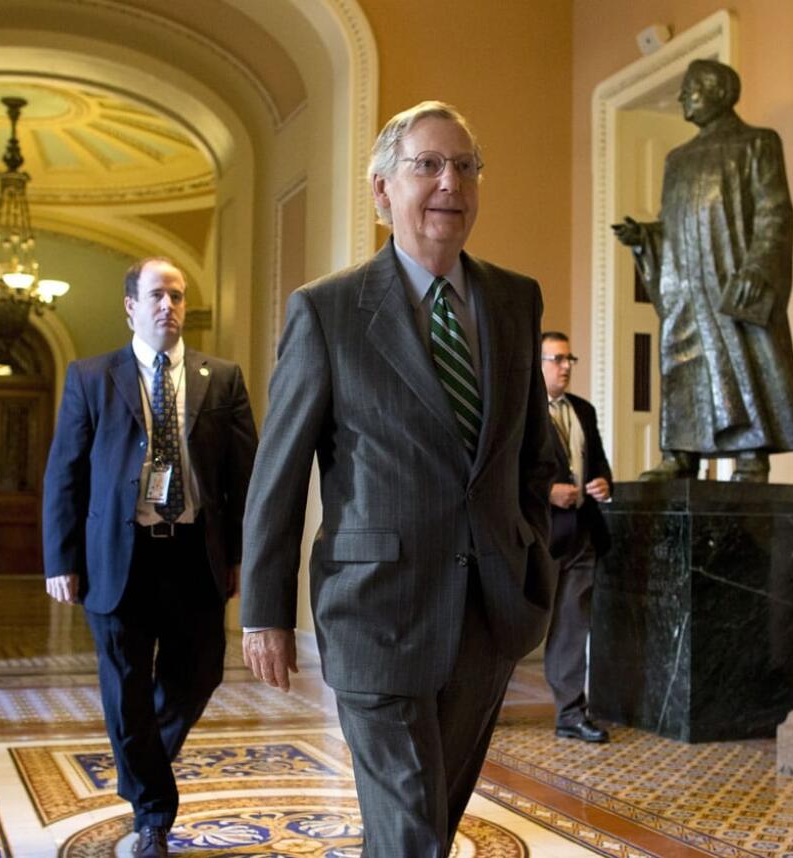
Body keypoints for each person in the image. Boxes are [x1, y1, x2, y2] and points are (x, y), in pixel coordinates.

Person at [241, 101, 556, 857]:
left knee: (430, 823)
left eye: (466, 166)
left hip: (488, 613)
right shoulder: (328, 310)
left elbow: (533, 455)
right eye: (429, 164)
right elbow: (277, 474)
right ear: (383, 192)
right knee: (412, 826)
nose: (452, 182)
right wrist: (264, 610)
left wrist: (532, 552)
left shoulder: (515, 301)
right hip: (374, 612)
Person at [42, 258, 257, 858]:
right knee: (126, 685)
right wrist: (60, 558)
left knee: (201, 671)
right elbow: (66, 471)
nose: (170, 306)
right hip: (118, 553)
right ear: (131, 307)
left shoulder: (223, 377)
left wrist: (242, 557)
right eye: (157, 295)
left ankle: (142, 767)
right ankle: (153, 814)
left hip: (194, 553)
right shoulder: (91, 376)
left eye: (179, 296)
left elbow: (244, 479)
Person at [614, 59, 793, 483]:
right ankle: (681, 453)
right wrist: (645, 237)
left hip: (730, 275)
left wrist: (758, 267)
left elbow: (775, 212)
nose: (683, 97)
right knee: (680, 360)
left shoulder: (757, 144)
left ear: (720, 92)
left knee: (744, 357)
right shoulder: (677, 160)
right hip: (684, 283)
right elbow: (671, 224)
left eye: (691, 88)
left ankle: (751, 454)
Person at [540, 332, 612, 743]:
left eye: (570, 359)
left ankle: (570, 715)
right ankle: (481, 712)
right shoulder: (520, 411)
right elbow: (502, 472)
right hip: (536, 535)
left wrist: (604, 483)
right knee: (516, 626)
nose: (566, 366)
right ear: (538, 364)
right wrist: (546, 493)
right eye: (557, 359)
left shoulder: (583, 410)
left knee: (571, 626)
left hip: (582, 534)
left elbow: (598, 461)